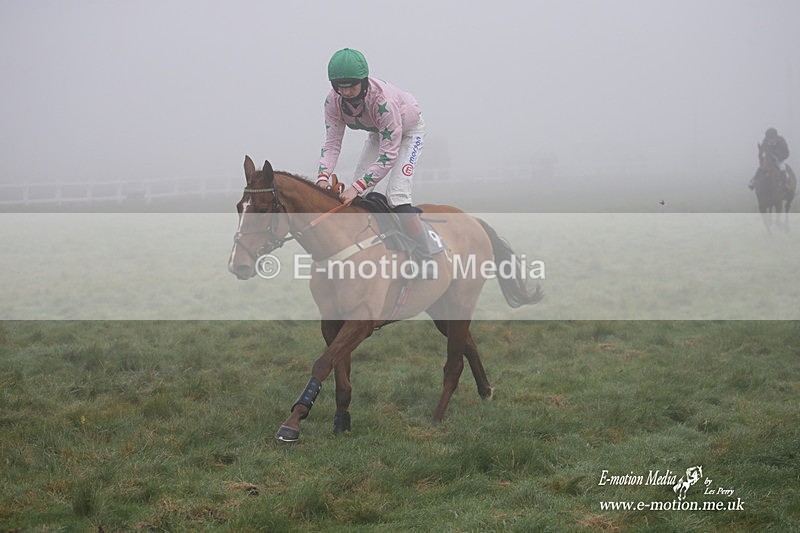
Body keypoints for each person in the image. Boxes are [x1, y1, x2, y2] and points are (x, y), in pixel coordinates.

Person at [315, 48, 434, 277]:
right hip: (379, 133)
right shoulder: (332, 102)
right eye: (340, 86)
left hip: (410, 133)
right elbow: (332, 144)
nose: (346, 92)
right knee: (359, 196)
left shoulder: (383, 101)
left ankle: (426, 256)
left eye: (351, 85)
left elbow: (389, 155)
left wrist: (356, 186)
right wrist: (321, 179)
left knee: (397, 196)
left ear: (363, 81)